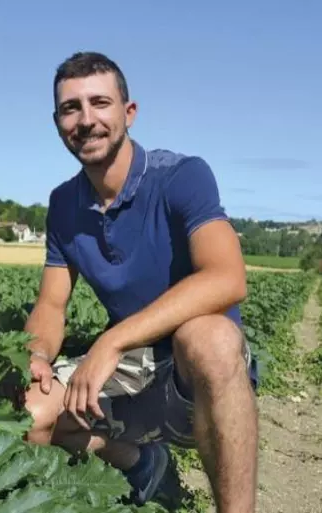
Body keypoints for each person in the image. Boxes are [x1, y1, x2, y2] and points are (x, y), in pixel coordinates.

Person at [23, 51, 259, 512]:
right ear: (57, 122)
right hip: (135, 367)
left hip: (200, 372)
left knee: (207, 336)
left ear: (128, 113)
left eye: (100, 103)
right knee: (30, 414)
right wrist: (35, 355)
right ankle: (140, 463)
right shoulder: (63, 204)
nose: (86, 120)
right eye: (71, 108)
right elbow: (51, 305)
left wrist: (110, 342)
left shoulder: (181, 176)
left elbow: (227, 278)